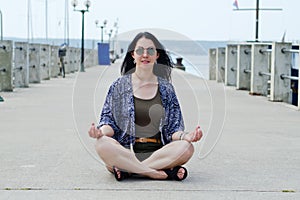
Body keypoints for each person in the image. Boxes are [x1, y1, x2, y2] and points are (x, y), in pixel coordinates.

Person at [88, 32, 203, 181]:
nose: (145, 55)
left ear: (157, 56)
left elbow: (174, 129)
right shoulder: (119, 86)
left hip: (159, 154)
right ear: (133, 55)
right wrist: (100, 132)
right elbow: (108, 121)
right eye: (140, 50)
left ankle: (130, 171)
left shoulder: (166, 89)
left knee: (187, 147)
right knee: (102, 144)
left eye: (150, 50)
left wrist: (187, 136)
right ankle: (153, 172)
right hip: (125, 153)